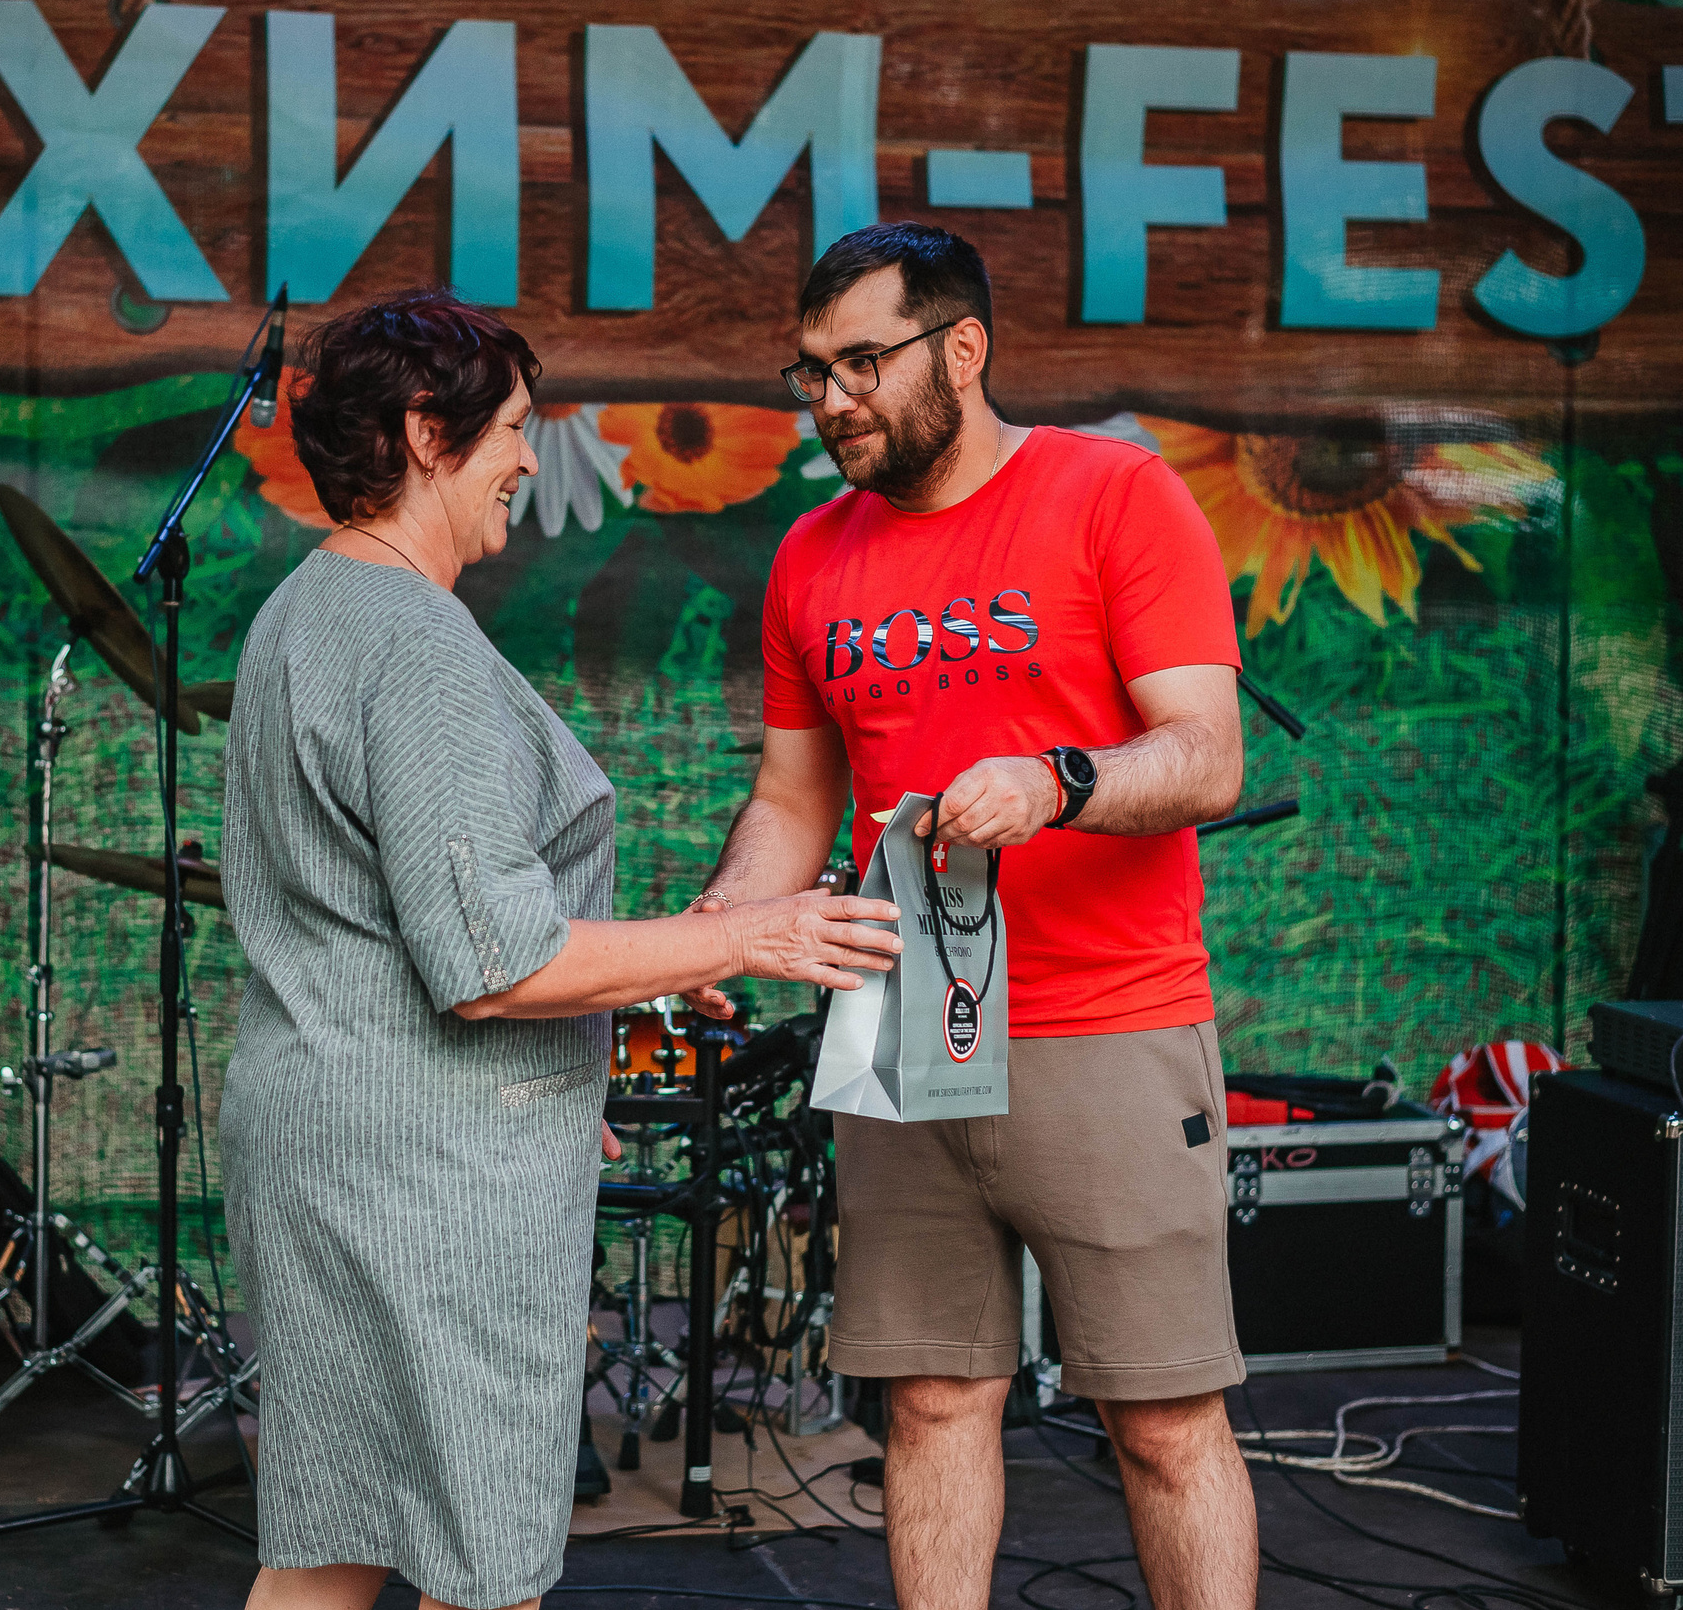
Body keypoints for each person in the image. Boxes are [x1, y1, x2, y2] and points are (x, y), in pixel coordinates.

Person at [219, 290, 901, 1610]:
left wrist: (593, 1031)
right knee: (487, 1571)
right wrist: (755, 928)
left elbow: (411, 930)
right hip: (420, 1179)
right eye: (517, 430)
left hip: (331, 1138)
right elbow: (493, 961)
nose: (532, 460)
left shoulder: (304, 611)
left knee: (332, 1539)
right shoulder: (416, 645)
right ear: (429, 432)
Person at [688, 224, 1258, 1610]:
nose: (833, 400)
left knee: (1164, 1419)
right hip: (900, 1034)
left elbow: (1208, 753)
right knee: (934, 1404)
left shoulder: (1116, 493)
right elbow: (790, 798)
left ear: (962, 348)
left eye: (863, 363)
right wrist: (722, 924)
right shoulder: (810, 557)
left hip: (1106, 1024)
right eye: (811, 372)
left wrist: (1059, 778)